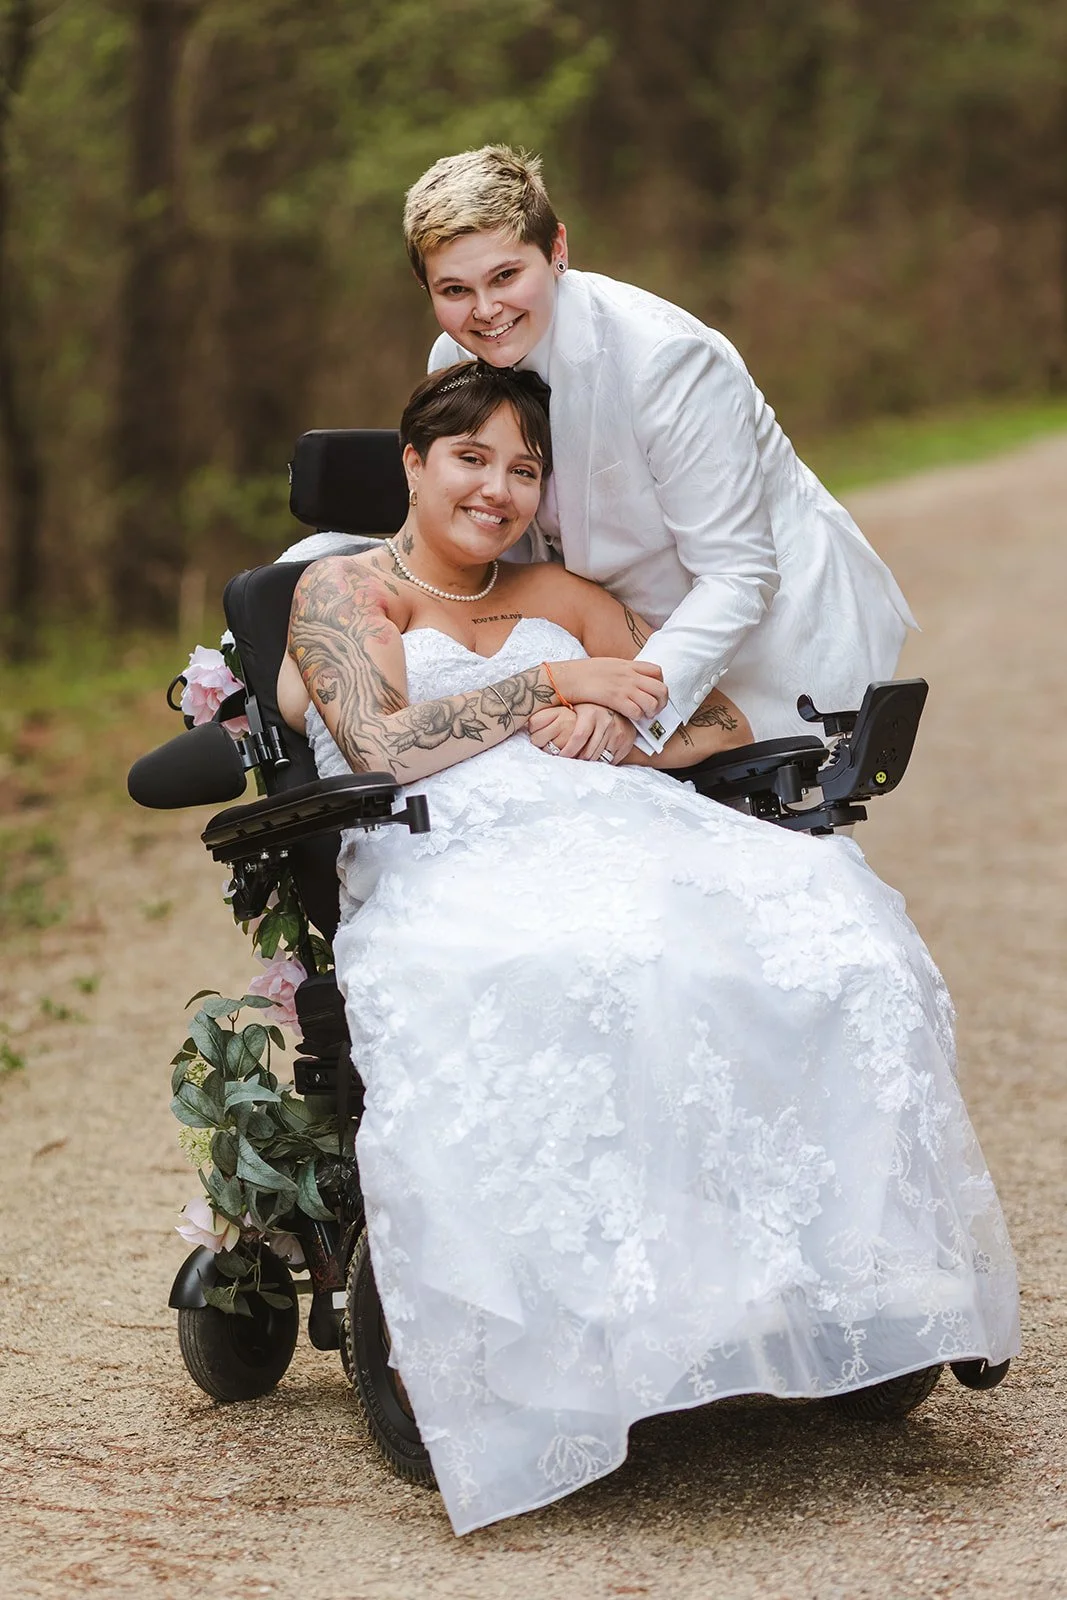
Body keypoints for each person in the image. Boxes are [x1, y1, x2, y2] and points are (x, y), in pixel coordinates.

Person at [278, 363, 1018, 1537]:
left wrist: (617, 723)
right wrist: (546, 685)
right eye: (471, 458)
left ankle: (847, 1286)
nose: (499, 489)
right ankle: (576, 1328)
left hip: (621, 821)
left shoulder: (561, 589)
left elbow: (715, 719)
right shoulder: (338, 592)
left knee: (835, 925)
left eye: (524, 470)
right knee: (605, 966)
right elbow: (380, 742)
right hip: (449, 855)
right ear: (413, 465)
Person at [404, 144, 917, 762]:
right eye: (455, 289)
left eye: (507, 276)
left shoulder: (664, 360)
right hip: (609, 649)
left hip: (767, 642)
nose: (485, 311)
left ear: (558, 249)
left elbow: (738, 574)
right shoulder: (453, 363)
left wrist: (628, 703)